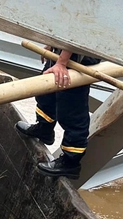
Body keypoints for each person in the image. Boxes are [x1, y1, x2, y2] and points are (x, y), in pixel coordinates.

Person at [15, 48, 100, 179]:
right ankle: (44, 129)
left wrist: (62, 62)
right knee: (46, 90)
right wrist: (52, 45)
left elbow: (78, 33)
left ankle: (70, 162)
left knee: (71, 109)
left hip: (78, 53)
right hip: (64, 51)